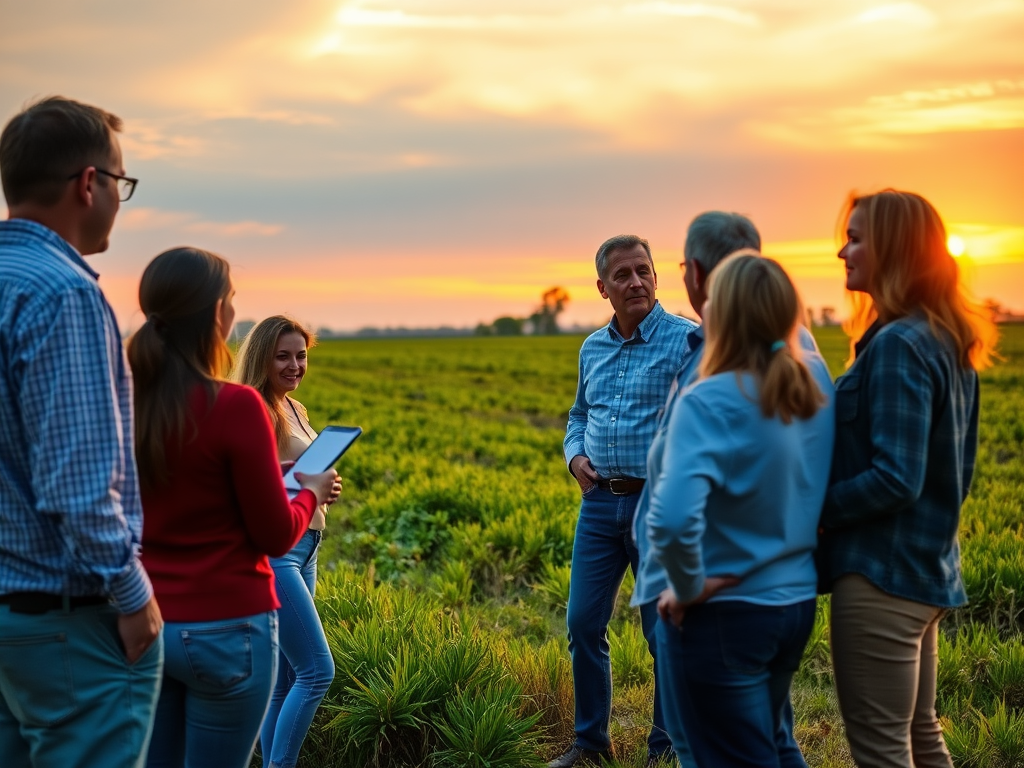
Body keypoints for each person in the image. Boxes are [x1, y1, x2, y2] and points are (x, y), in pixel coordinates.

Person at [127, 248, 338, 768]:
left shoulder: (127, 402)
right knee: (312, 673)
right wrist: (309, 488)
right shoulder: (239, 407)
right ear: (217, 315)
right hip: (227, 628)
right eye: (231, 299)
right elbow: (272, 535)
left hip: (150, 623)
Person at [0, 96, 163, 768]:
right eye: (122, 184)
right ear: (89, 183)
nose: (120, 202)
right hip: (65, 618)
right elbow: (77, 488)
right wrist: (134, 597)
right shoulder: (64, 293)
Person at [819, 190, 997, 768]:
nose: (843, 250)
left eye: (857, 237)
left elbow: (897, 478)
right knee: (920, 737)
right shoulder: (936, 336)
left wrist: (812, 509)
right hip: (922, 570)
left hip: (880, 576)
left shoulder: (898, 344)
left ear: (894, 248)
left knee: (881, 752)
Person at [646, 253, 835, 767]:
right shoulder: (815, 388)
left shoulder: (708, 400)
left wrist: (688, 588)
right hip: (794, 605)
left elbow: (669, 520)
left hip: (723, 613)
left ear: (720, 313)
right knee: (772, 744)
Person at [554, 235, 696, 768]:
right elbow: (579, 415)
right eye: (623, 275)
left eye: (644, 271)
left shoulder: (687, 342)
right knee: (583, 624)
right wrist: (574, 458)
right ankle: (591, 743)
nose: (635, 282)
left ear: (658, 277)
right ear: (602, 288)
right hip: (599, 505)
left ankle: (666, 747)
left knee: (664, 633)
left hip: (656, 505)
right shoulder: (592, 346)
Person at [234, 316, 341, 768]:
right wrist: (303, 485)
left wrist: (319, 487)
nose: (295, 365)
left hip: (308, 545)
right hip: (279, 552)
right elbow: (248, 484)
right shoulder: (256, 408)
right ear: (262, 358)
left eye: (301, 355)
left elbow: (291, 475)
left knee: (285, 677)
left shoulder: (293, 407)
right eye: (283, 356)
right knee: (318, 671)